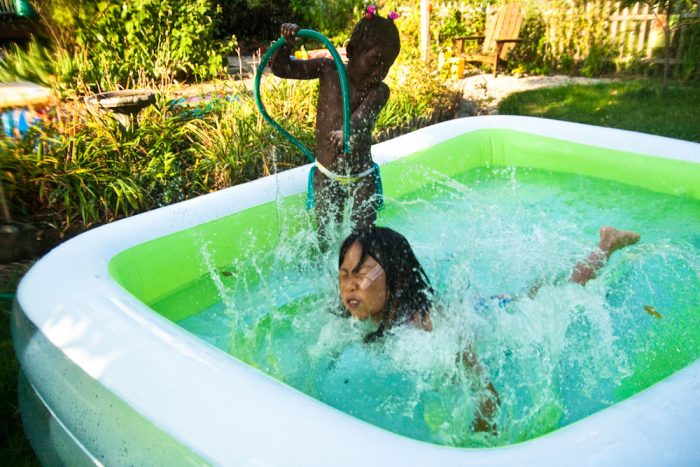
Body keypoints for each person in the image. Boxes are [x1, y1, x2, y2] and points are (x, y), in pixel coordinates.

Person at [337, 225, 641, 433]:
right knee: (537, 289)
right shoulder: (364, 315)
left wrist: (480, 436)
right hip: (480, 305)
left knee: (560, 292)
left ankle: (606, 245)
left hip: (496, 314)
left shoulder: (430, 326)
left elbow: (485, 394)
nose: (349, 285)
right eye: (343, 275)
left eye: (361, 275)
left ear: (396, 277)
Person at [269, 8, 401, 245]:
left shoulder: (379, 91)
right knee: (326, 236)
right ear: (351, 51)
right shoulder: (327, 70)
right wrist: (286, 44)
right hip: (326, 173)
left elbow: (362, 117)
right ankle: (330, 277)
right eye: (373, 63)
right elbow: (281, 69)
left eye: (386, 67)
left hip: (362, 177)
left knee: (363, 238)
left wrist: (346, 132)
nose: (379, 73)